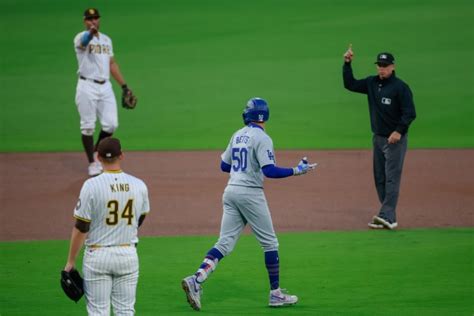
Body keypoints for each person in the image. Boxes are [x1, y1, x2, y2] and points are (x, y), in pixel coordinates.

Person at [181, 97, 317, 311]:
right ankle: (275, 294)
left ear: (249, 114)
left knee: (224, 243)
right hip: (250, 194)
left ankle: (196, 279)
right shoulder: (263, 138)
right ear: (265, 115)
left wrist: (242, 167)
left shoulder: (237, 134)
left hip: (231, 192)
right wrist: (296, 170)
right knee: (270, 243)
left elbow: (224, 166)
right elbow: (269, 171)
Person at [63, 137, 150, 315]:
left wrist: (71, 261)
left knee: (98, 312)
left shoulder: (91, 185)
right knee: (125, 311)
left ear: (99, 158)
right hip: (127, 254)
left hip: (98, 256)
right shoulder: (139, 185)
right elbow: (139, 219)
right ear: (122, 156)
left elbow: (81, 227)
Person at [342, 45, 416, 230]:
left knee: (392, 177)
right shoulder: (372, 83)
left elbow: (410, 113)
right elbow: (350, 84)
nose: (382, 68)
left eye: (385, 65)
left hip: (395, 141)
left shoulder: (401, 88)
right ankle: (388, 215)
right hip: (378, 138)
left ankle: (388, 216)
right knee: (380, 178)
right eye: (379, 65)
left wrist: (398, 131)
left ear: (393, 67)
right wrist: (347, 64)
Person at [74, 8, 135, 176]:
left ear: (99, 19)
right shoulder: (81, 38)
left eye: (95, 18)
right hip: (87, 86)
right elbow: (84, 42)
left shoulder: (106, 40)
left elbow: (112, 63)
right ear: (85, 21)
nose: (93, 21)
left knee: (111, 124)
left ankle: (96, 151)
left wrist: (124, 86)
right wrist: (90, 33)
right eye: (89, 19)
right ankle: (93, 163)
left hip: (105, 86)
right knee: (87, 126)